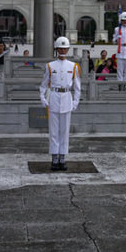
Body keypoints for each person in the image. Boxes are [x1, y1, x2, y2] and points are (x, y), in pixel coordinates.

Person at [39, 37, 81, 171]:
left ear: (68, 49)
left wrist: (75, 101)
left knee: (64, 131)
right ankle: (54, 158)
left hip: (67, 98)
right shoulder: (50, 66)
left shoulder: (73, 66)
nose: (63, 50)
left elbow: (77, 87)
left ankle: (62, 157)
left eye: (65, 48)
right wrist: (42, 97)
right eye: (60, 48)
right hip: (54, 98)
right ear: (56, 49)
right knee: (53, 132)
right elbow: (44, 84)